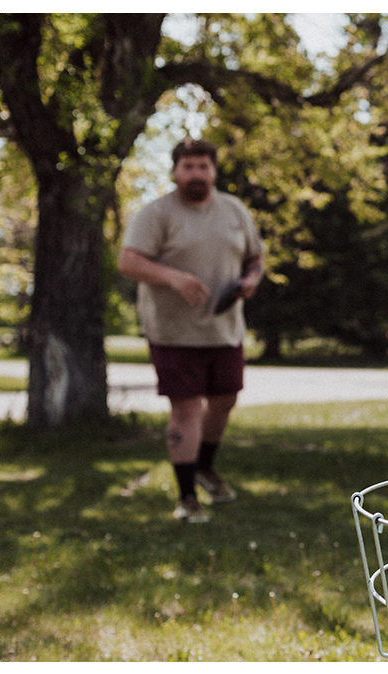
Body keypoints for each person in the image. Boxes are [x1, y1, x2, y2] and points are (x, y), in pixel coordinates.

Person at [119, 138, 264, 523]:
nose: (196, 174)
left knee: (225, 400)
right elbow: (129, 261)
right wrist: (173, 278)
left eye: (203, 166)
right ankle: (187, 498)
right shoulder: (156, 214)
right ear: (175, 171)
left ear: (214, 170)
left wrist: (251, 280)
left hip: (225, 328)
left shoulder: (234, 210)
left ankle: (205, 467)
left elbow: (256, 257)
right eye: (188, 167)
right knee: (186, 409)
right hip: (173, 332)